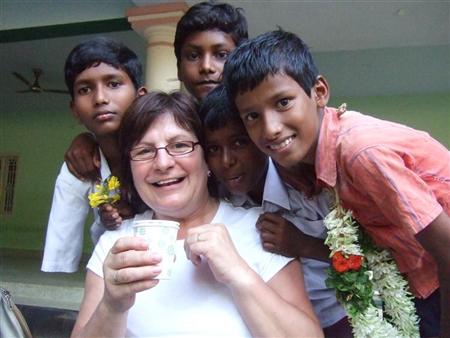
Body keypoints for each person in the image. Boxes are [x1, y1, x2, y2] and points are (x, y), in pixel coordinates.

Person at [222, 29, 450, 338]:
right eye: (252, 116)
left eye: (283, 102)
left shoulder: (359, 153)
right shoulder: (309, 161)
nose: (270, 128)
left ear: (319, 91)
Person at [70, 91, 323, 338]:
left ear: (206, 159)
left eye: (179, 145)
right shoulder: (115, 247)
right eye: (144, 151)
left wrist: (239, 275)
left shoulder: (262, 230)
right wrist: (112, 306)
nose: (163, 163)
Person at [62, 1, 248, 225]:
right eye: (193, 56)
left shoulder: (257, 119)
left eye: (222, 54)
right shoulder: (177, 121)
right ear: (178, 68)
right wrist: (89, 139)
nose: (206, 66)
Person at [200, 85, 352, 337]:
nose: (226, 160)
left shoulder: (309, 184)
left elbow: (369, 259)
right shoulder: (218, 201)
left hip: (340, 318)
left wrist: (302, 244)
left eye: (239, 142)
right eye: (214, 149)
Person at [41, 37, 146, 273]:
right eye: (85, 89)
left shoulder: (165, 148)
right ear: (75, 110)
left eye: (113, 84)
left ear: (140, 96)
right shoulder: (79, 164)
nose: (100, 98)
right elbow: (62, 239)